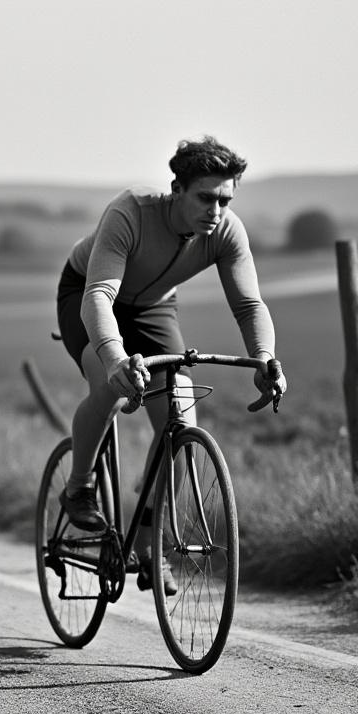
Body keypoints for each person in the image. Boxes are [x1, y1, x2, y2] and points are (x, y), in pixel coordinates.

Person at [55, 135, 288, 591]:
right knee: (110, 386)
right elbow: (99, 295)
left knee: (180, 423)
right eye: (205, 197)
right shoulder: (131, 212)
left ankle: (149, 545)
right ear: (177, 189)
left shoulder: (226, 232)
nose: (216, 211)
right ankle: (79, 486)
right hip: (89, 294)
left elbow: (249, 305)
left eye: (225, 200)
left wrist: (264, 358)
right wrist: (115, 358)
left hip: (153, 308)